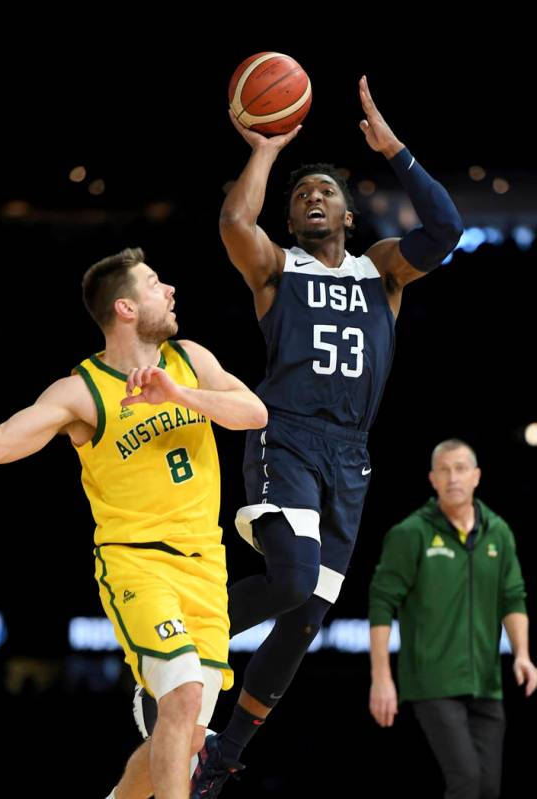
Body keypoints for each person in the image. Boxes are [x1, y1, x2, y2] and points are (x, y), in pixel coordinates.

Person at [180, 73, 464, 796]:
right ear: (293, 215)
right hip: (291, 437)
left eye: (325, 192)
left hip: (352, 456)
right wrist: (267, 151)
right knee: (291, 578)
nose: (312, 197)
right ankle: (178, 645)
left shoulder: (383, 271)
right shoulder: (277, 268)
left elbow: (446, 231)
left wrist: (394, 148)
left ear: (346, 213)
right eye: (301, 194)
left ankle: (224, 750)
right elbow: (234, 225)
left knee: (302, 619)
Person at [0, 247, 267, 799]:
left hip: (206, 567)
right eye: (154, 283)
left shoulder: (190, 358)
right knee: (184, 693)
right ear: (124, 307)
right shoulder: (82, 391)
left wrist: (179, 393)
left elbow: (254, 414)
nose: (170, 290)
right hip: (137, 562)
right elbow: (1, 443)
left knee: (186, 736)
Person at [369, 439, 537, 799]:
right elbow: (381, 604)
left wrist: (522, 654)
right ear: (432, 479)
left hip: (487, 680)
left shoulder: (499, 532)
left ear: (477, 476)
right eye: (444, 470)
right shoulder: (410, 533)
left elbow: (514, 597)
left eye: (461, 468)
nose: (452, 477)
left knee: (488, 788)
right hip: (432, 681)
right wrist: (381, 678)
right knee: (467, 781)